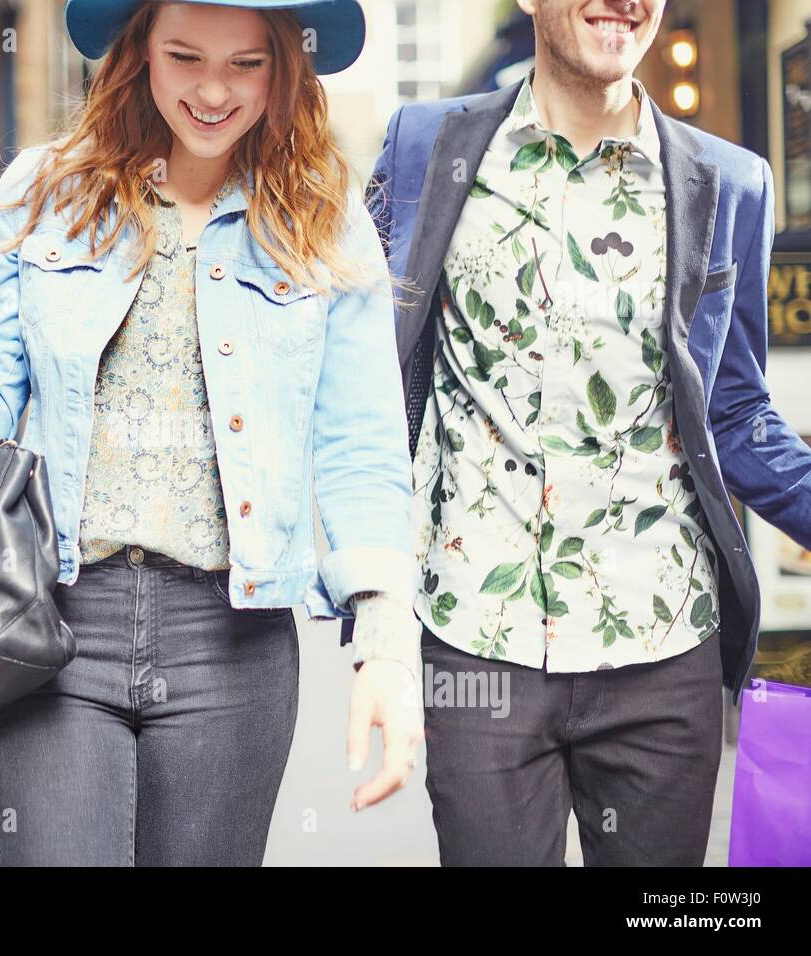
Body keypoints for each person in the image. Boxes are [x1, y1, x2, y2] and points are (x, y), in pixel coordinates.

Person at [0, 0, 422, 866]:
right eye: (184, 57)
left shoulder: (320, 218)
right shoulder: (45, 192)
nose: (213, 90)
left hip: (234, 646)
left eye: (247, 64)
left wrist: (385, 647)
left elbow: (361, 447)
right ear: (138, 53)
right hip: (54, 627)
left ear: (284, 67)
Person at [344, 0, 811, 865]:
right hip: (474, 636)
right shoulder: (426, 147)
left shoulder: (731, 182)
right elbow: (363, 380)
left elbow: (736, 414)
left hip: (663, 645)